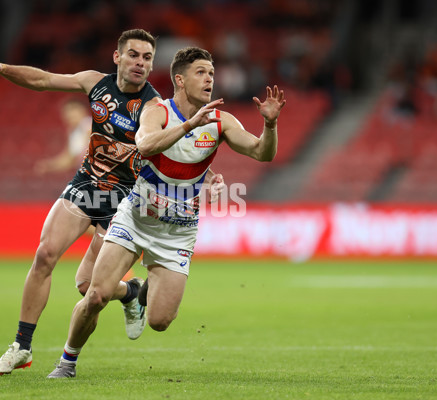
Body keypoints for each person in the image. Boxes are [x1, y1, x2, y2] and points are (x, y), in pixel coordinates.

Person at [0, 31, 224, 376]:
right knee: (45, 254)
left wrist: (206, 177)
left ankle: (130, 293)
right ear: (117, 57)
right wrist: (3, 68)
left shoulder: (154, 107)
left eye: (147, 58)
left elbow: (182, 146)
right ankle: (21, 347)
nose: (140, 63)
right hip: (86, 185)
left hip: (126, 199)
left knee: (90, 288)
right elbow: (44, 80)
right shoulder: (94, 83)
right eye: (133, 55)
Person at [47, 46, 286, 379]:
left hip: (178, 230)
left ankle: (139, 293)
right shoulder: (156, 111)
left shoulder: (220, 121)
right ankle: (67, 362)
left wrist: (270, 126)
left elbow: (262, 153)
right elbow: (145, 145)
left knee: (159, 321)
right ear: (180, 79)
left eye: (212, 74)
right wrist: (189, 124)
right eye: (201, 72)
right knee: (96, 293)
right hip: (136, 217)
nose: (209, 79)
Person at [34, 98, 93, 174]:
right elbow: (68, 160)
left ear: (82, 110)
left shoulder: (90, 125)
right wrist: (49, 166)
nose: (68, 115)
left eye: (72, 110)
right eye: (66, 112)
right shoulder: (73, 132)